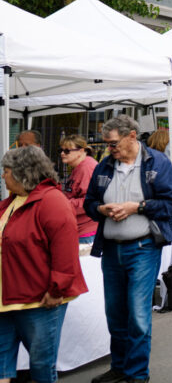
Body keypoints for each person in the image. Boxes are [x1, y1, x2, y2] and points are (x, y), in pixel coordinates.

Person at [83, 115, 172, 383]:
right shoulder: (105, 166)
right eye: (107, 144)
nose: (109, 149)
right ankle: (120, 367)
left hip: (142, 247)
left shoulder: (156, 163)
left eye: (113, 143)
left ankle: (137, 374)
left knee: (138, 314)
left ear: (131, 136)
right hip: (112, 249)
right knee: (115, 312)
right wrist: (101, 209)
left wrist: (136, 207)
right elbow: (89, 203)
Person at [0, 146, 88, 383]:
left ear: (22, 172)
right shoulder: (13, 201)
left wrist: (56, 288)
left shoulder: (51, 201)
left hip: (40, 298)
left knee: (40, 364)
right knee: (1, 363)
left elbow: (65, 250)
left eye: (6, 171)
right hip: (8, 297)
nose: (3, 176)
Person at [59, 135, 98, 243]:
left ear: (80, 151)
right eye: (61, 150)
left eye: (67, 151)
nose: (62, 153)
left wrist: (63, 204)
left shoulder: (87, 168)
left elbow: (89, 201)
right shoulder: (79, 167)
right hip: (80, 228)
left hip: (86, 231)